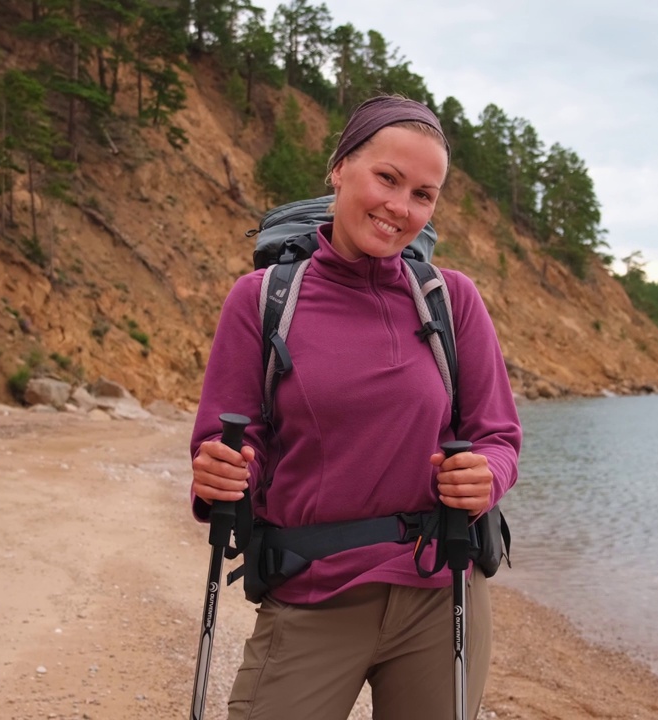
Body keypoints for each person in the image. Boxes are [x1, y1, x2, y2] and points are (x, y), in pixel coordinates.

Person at [190, 95, 522, 720]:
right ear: (339, 167)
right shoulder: (262, 301)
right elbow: (230, 443)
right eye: (387, 178)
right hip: (313, 591)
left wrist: (486, 476)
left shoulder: (451, 300)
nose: (401, 208)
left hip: (440, 587)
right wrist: (221, 475)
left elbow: (498, 436)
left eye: (423, 195)